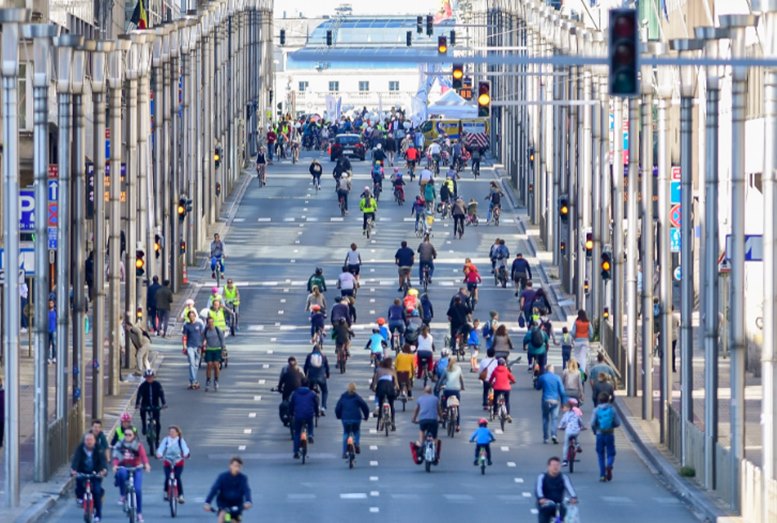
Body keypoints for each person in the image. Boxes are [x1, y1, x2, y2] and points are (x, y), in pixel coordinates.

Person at [112, 428, 151, 521]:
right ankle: (123, 495)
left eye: (130, 435)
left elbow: (143, 456)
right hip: (124, 467)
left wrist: (146, 464)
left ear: (133, 436)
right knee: (121, 474)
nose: (127, 436)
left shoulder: (138, 444)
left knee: (137, 490)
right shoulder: (119, 444)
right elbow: (116, 456)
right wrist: (115, 465)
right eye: (126, 434)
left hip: (136, 468)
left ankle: (139, 513)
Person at [71, 432, 108, 521]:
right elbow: (76, 460)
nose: (89, 442)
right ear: (84, 441)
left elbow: (103, 460)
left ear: (95, 441)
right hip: (83, 472)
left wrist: (104, 470)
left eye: (91, 440)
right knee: (79, 484)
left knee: (97, 491)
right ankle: (80, 498)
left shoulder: (99, 449)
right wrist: (74, 470)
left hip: (95, 473)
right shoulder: (80, 449)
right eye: (87, 440)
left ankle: (98, 514)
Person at [204, 457, 252, 523]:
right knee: (222, 516)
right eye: (235, 466)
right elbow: (214, 489)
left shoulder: (243, 478)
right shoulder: (222, 477)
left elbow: (246, 490)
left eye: (239, 466)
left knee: (235, 520)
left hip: (237, 505)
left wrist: (248, 501)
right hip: (224, 504)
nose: (237, 468)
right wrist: (207, 502)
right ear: (230, 466)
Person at [535, 456, 578, 523]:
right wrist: (541, 498)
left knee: (563, 515)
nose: (555, 467)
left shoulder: (563, 477)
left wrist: (573, 497)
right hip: (545, 504)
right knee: (544, 518)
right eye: (553, 465)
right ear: (548, 466)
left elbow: (570, 488)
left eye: (557, 465)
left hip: (559, 504)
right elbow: (538, 489)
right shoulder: (542, 477)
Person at [590, 392, 622, 481]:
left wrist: (595, 431)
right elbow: (618, 423)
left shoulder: (596, 410)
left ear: (599, 400)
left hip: (599, 434)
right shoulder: (612, 409)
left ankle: (602, 475)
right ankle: (609, 464)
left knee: (600, 455)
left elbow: (592, 423)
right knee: (611, 452)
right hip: (610, 434)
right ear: (608, 399)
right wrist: (612, 426)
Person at [156, 426, 191, 503]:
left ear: (177, 433)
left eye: (173, 432)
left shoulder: (180, 440)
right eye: (170, 432)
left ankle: (180, 495)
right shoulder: (166, 440)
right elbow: (161, 448)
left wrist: (186, 454)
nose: (171, 433)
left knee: (177, 477)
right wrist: (159, 454)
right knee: (168, 476)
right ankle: (166, 492)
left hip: (178, 462)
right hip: (167, 461)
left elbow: (185, 449)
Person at [335, 382, 370, 458]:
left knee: (346, 433)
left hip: (345, 419)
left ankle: (344, 452)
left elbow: (337, 408)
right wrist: (366, 416)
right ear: (355, 389)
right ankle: (356, 444)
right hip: (356, 418)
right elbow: (365, 407)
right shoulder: (357, 397)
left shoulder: (343, 397)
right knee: (356, 431)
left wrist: (338, 416)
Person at [535, 364, 567, 444]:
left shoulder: (543, 377)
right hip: (555, 400)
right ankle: (554, 435)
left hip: (546, 400)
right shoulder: (557, 378)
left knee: (545, 418)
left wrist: (536, 379)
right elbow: (562, 392)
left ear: (546, 370)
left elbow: (537, 387)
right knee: (554, 419)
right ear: (553, 370)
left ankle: (546, 438)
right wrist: (564, 403)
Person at [290, 379, 319, 459]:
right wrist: (316, 413)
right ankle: (310, 434)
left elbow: (291, 405)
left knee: (297, 434)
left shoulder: (295, 393)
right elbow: (316, 405)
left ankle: (296, 452)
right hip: (309, 415)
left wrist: (291, 413)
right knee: (310, 423)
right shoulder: (312, 394)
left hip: (298, 415)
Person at [135, 369, 166, 441]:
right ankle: (144, 425)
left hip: (155, 404)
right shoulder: (143, 386)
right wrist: (137, 404)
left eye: (151, 377)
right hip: (145, 403)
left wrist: (164, 403)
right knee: (142, 412)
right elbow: (139, 395)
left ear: (153, 377)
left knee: (157, 422)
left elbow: (161, 394)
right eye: (147, 377)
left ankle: (157, 438)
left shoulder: (157, 384)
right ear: (145, 378)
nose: (149, 379)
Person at [411, 385, 442, 456]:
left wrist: (414, 419)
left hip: (423, 421)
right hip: (433, 421)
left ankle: (421, 444)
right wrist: (441, 418)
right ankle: (435, 452)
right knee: (435, 437)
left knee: (422, 433)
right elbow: (439, 410)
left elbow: (416, 410)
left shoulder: (420, 399)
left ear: (424, 392)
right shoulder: (435, 399)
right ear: (431, 392)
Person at [371, 357, 398, 430]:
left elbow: (375, 381)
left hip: (381, 387)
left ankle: (379, 420)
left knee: (380, 404)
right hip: (390, 387)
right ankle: (393, 423)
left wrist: (373, 387)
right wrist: (397, 388)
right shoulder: (392, 370)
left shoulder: (379, 370)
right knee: (392, 405)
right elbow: (396, 382)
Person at [558, 398, 585, 467]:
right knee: (576, 435)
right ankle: (577, 445)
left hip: (568, 431)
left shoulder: (566, 415)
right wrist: (583, 427)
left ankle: (565, 461)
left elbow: (561, 423)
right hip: (576, 430)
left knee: (566, 445)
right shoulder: (576, 414)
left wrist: (560, 427)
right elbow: (580, 422)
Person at [304, 344, 330, 414]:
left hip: (311, 378)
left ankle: (308, 405)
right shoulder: (323, 356)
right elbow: (327, 367)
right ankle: (323, 407)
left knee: (308, 391)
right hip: (321, 378)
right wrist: (327, 375)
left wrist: (305, 375)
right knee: (325, 391)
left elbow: (305, 367)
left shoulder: (309, 356)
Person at [202, 316, 226, 392]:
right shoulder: (206, 330)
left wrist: (223, 348)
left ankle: (216, 380)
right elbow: (201, 339)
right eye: (209, 323)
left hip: (217, 349)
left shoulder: (217, 329)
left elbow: (222, 339)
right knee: (209, 364)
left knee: (216, 364)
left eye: (212, 322)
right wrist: (200, 347)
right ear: (207, 323)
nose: (210, 324)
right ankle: (208, 380)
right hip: (209, 349)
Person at [440, 358, 465, 431]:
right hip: (456, 390)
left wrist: (438, 387)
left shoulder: (446, 369)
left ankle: (444, 410)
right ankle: (457, 425)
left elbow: (441, 380)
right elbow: (461, 380)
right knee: (457, 406)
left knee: (444, 398)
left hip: (447, 389)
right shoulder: (459, 369)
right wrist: (462, 387)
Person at [182, 310, 204, 389]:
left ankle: (191, 380)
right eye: (190, 316)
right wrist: (184, 346)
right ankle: (194, 380)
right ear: (188, 317)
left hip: (198, 347)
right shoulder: (186, 326)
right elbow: (184, 336)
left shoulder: (199, 324)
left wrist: (203, 344)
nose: (191, 318)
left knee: (196, 365)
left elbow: (202, 335)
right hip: (190, 346)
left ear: (195, 316)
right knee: (191, 363)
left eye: (193, 316)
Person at [47, 299, 57, 363]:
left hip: (54, 330)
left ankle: (54, 357)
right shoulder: (46, 312)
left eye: (51, 303)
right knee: (47, 345)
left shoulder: (55, 312)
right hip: (48, 330)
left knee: (54, 344)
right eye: (49, 303)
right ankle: (48, 357)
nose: (50, 304)